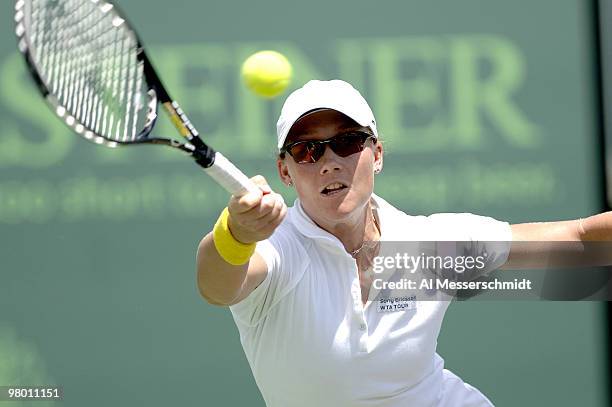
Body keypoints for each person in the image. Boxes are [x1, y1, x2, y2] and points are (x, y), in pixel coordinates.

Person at [196, 80, 612, 406]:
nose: (329, 163)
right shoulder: (277, 251)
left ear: (376, 153)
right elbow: (217, 286)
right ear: (285, 172)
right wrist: (236, 235)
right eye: (307, 151)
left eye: (346, 142)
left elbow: (579, 240)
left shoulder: (428, 243)